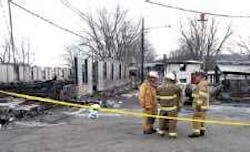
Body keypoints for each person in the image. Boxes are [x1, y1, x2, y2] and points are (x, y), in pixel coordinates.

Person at [156, 73, 182, 138]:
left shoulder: (159, 87)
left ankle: (161, 132)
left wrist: (161, 102)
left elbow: (158, 98)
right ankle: (172, 134)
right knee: (172, 121)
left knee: (162, 120)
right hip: (172, 108)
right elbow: (180, 90)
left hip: (163, 108)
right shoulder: (175, 87)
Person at [189, 72, 210, 138]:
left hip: (200, 106)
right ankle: (202, 130)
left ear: (201, 77)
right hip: (203, 106)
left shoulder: (201, 84)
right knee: (202, 118)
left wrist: (198, 104)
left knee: (196, 118)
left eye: (196, 77)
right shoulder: (204, 83)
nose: (195, 78)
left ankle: (196, 133)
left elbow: (201, 96)